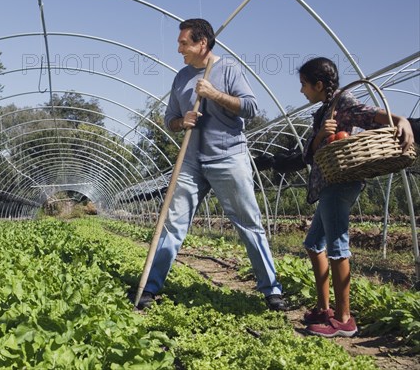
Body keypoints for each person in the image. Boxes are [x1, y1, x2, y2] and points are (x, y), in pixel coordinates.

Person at [137, 19, 285, 311]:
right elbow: (169, 119)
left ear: (201, 43)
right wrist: (183, 122)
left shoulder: (228, 69)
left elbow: (251, 107)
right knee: (172, 223)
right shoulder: (180, 77)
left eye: (184, 43)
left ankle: (271, 290)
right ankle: (149, 288)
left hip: (228, 157)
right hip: (190, 161)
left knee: (248, 223)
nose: (179, 49)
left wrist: (214, 94)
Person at [298, 57, 415, 337]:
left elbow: (372, 114)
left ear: (319, 85)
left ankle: (344, 319)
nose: (302, 91)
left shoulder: (343, 102)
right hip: (327, 182)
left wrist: (401, 121)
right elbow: (309, 154)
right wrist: (319, 138)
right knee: (314, 244)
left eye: (304, 85)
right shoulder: (323, 112)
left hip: (341, 182)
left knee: (337, 246)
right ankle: (325, 308)